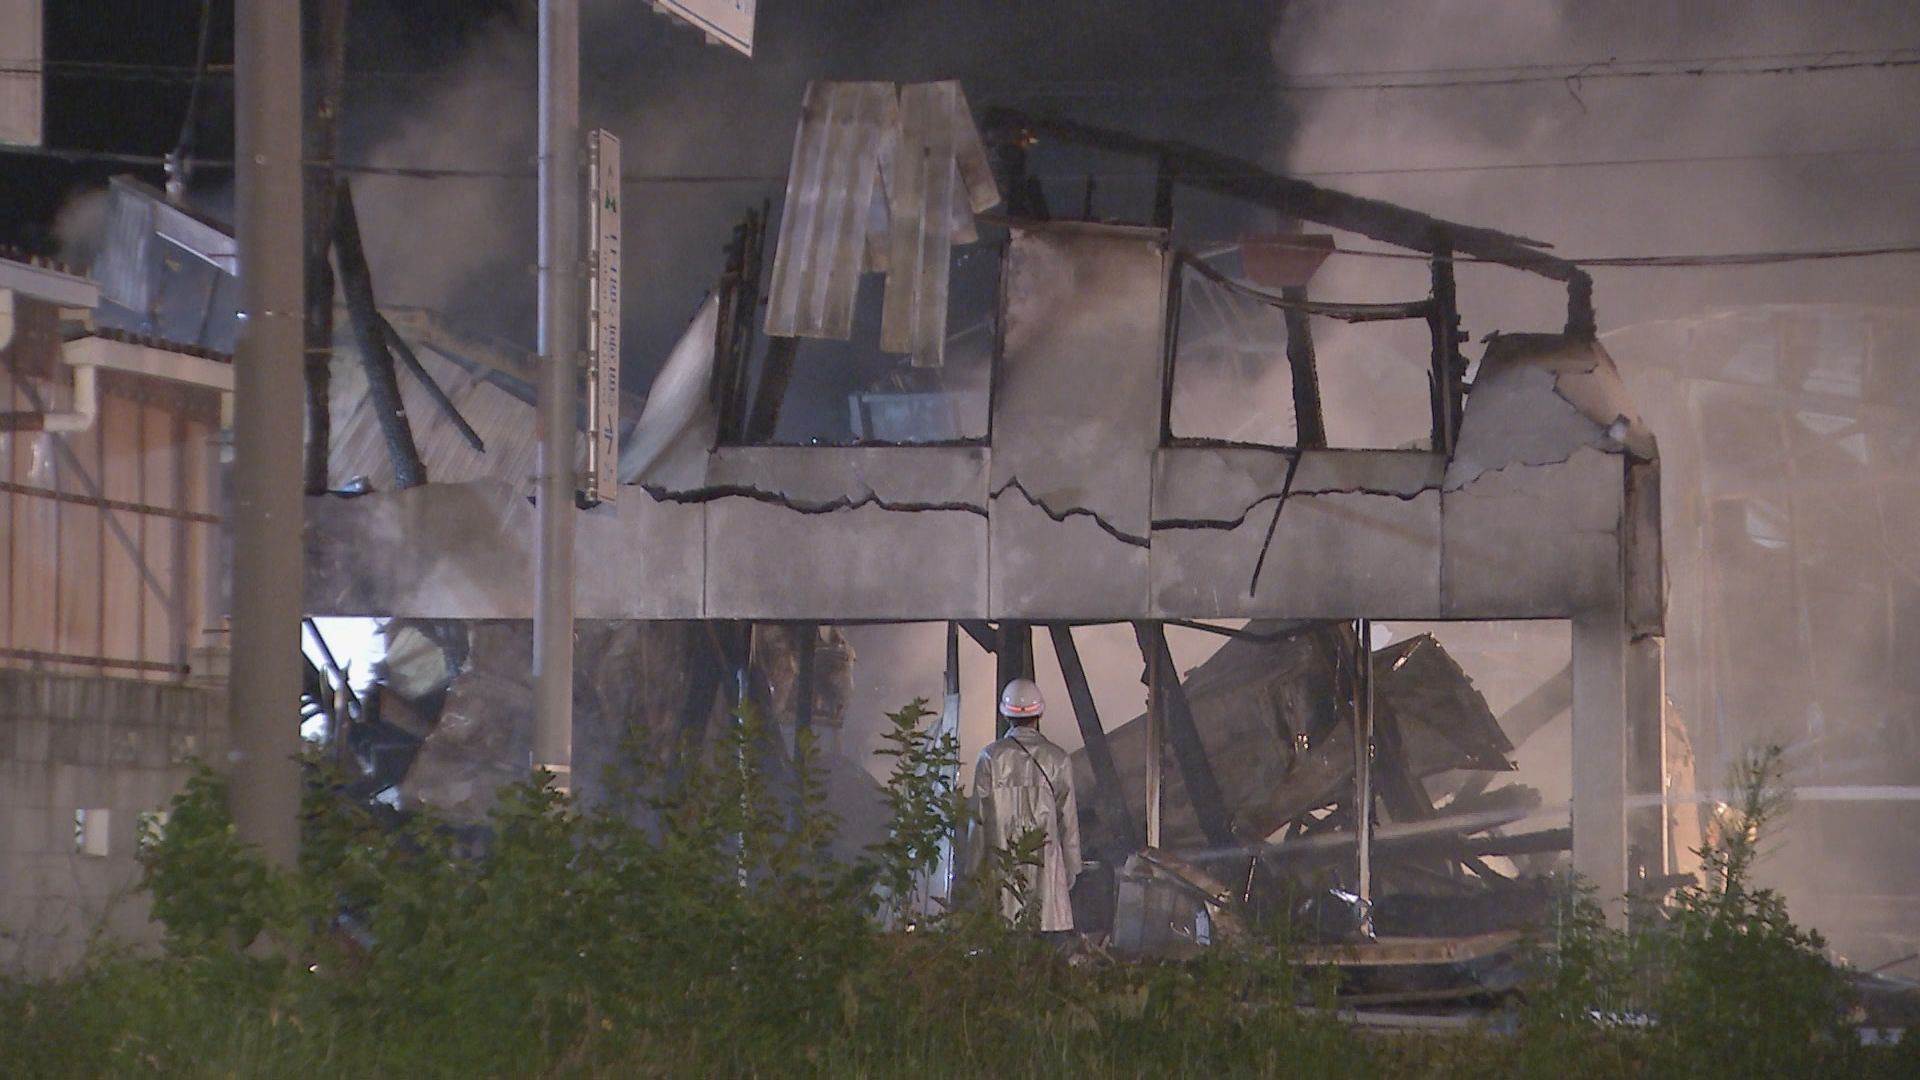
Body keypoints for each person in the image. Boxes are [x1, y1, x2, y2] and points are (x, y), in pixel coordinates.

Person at [963, 678, 1082, 934]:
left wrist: (973, 869)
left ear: (1006, 715)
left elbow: (979, 821)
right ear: (1039, 713)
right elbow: (1068, 822)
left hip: (1003, 865)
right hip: (1046, 867)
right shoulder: (1058, 759)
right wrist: (1071, 869)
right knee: (1046, 942)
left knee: (1005, 936)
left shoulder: (990, 758)